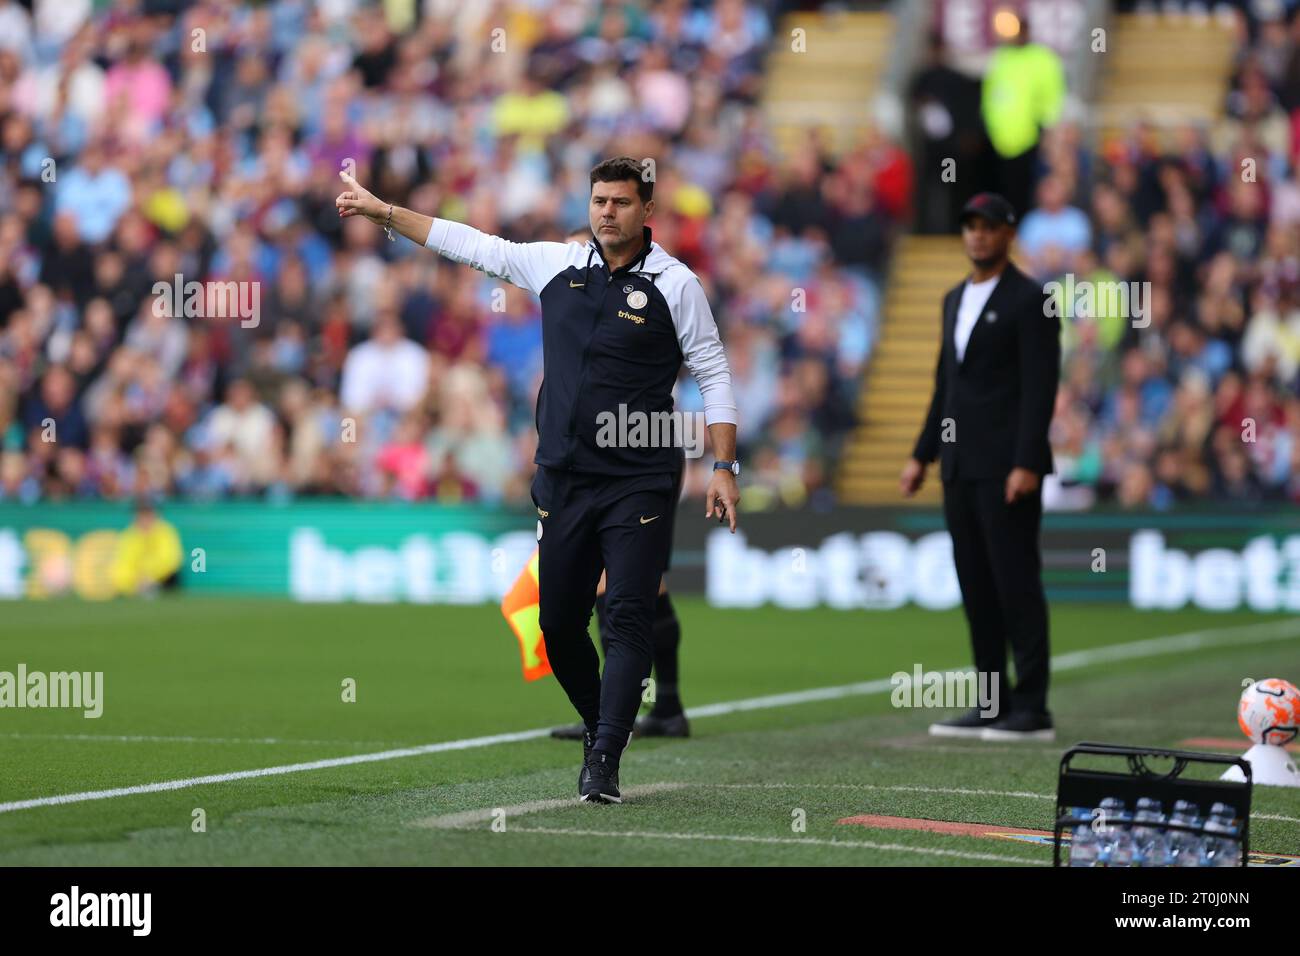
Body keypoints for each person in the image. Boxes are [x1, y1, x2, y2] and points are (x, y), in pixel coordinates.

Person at [336, 156, 741, 802]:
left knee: (628, 615)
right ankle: (600, 720)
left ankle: (605, 755)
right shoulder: (556, 264)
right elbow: (469, 244)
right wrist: (383, 212)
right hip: (564, 479)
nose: (607, 211)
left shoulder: (677, 285)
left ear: (647, 212)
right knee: (556, 626)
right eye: (599, 200)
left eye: (621, 202)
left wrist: (724, 466)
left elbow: (715, 374)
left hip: (639, 476)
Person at [899, 192, 1060, 741]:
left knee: (1016, 584)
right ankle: (992, 702)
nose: (977, 235)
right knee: (976, 587)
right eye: (970, 225)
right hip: (959, 466)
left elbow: (1041, 390)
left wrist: (1027, 461)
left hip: (1006, 468)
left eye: (988, 226)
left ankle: (1032, 707)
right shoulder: (952, 299)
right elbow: (946, 385)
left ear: (1008, 233)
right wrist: (922, 454)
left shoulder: (1031, 299)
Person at [550, 227, 690, 742]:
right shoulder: (569, 310)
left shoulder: (651, 293)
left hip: (642, 456)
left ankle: (617, 718)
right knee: (641, 585)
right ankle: (656, 707)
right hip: (597, 460)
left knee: (621, 584)